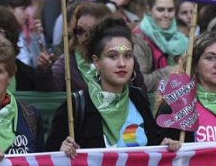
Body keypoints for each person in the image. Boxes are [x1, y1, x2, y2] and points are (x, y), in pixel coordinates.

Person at [51, 19, 179, 155]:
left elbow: (152, 146)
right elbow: (48, 158)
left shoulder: (139, 98)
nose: (122, 63)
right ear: (96, 61)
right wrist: (62, 150)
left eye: (128, 56)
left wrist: (163, 145)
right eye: (112, 56)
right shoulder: (75, 106)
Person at [157, 31, 216, 142]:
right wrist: (166, 145)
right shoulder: (175, 107)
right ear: (195, 65)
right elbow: (156, 150)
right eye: (210, 58)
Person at [132, 0, 188, 93]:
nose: (166, 15)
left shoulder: (182, 38)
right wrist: (173, 71)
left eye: (170, 10)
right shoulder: (138, 39)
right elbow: (141, 82)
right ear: (149, 10)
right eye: (160, 9)